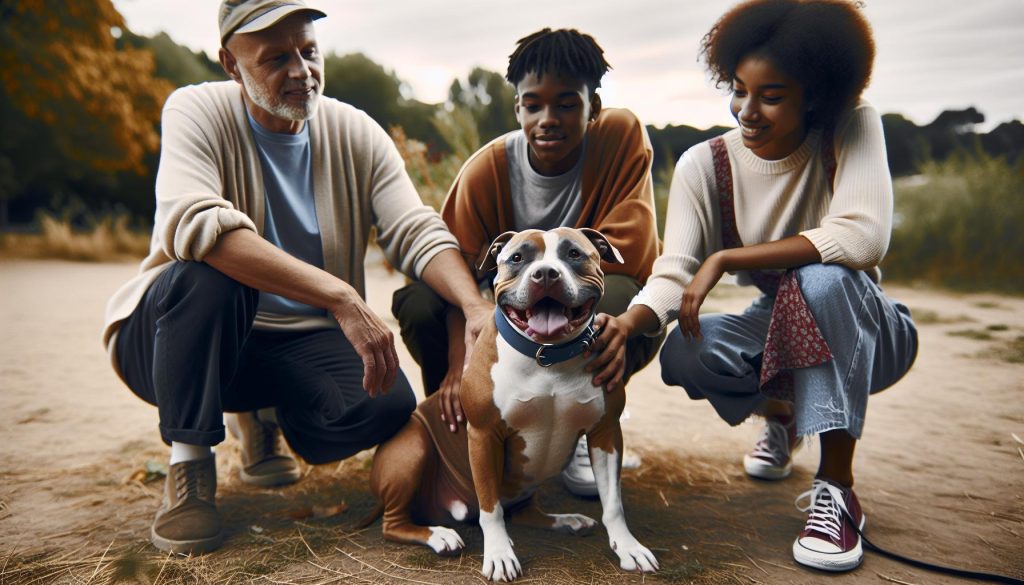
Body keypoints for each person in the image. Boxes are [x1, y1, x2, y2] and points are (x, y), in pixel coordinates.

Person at [102, 0, 492, 555]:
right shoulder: (194, 109)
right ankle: (189, 466)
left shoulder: (355, 130)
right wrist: (339, 295)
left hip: (292, 342)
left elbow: (415, 229)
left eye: (309, 51)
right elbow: (196, 223)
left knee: (382, 405)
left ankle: (262, 420)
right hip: (174, 339)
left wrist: (475, 309)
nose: (301, 71)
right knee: (212, 274)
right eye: (276, 57)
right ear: (230, 64)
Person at [595, 0, 918, 572]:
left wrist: (728, 256)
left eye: (771, 95)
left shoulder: (851, 127)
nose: (747, 110)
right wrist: (630, 321)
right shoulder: (705, 164)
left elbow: (864, 238)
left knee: (822, 279)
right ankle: (788, 416)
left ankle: (838, 489)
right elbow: (674, 271)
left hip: (869, 330)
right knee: (686, 352)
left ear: (814, 95)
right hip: (778, 324)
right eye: (739, 89)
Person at [390, 28, 661, 497]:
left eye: (567, 104)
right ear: (516, 108)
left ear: (593, 106)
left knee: (618, 295)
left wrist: (560, 272)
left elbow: (631, 255)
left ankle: (583, 419)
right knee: (419, 301)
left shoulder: (620, 137)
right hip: (503, 316)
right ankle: (463, 419)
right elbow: (451, 269)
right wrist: (465, 363)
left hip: (577, 311)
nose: (548, 119)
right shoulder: (486, 169)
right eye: (533, 105)